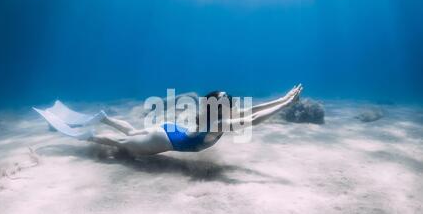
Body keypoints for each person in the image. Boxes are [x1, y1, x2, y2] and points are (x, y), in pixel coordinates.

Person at [34, 84, 303, 155]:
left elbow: (253, 111)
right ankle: (86, 135)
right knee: (121, 144)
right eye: (225, 100)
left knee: (132, 132)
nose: (231, 103)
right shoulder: (219, 122)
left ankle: (104, 118)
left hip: (168, 130)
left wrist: (283, 100)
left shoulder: (216, 116)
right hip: (164, 140)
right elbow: (254, 119)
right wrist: (286, 103)